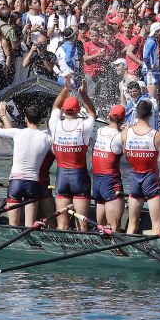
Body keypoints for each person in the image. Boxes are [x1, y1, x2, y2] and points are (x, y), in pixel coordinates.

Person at [0, 104, 53, 228]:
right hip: (33, 184)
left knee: (13, 226)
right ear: (41, 121)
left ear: (25, 119)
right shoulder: (47, 137)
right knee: (30, 226)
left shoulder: (17, 132)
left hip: (15, 183)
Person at [48, 82, 96, 230]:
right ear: (77, 111)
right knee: (83, 225)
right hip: (79, 176)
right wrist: (83, 94)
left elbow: (55, 107)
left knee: (62, 225)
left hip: (61, 177)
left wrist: (66, 88)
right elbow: (92, 113)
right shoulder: (83, 126)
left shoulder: (54, 124)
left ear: (64, 111)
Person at [123, 98, 160, 234]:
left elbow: (126, 156)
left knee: (131, 225)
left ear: (136, 114)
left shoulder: (125, 133)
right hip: (151, 181)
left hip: (134, 180)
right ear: (151, 115)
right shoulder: (158, 136)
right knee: (157, 226)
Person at [91, 103, 127, 231]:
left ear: (109, 116)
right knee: (113, 228)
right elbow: (130, 156)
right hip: (111, 182)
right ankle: (117, 249)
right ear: (123, 119)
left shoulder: (99, 131)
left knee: (101, 228)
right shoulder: (121, 136)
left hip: (96, 182)